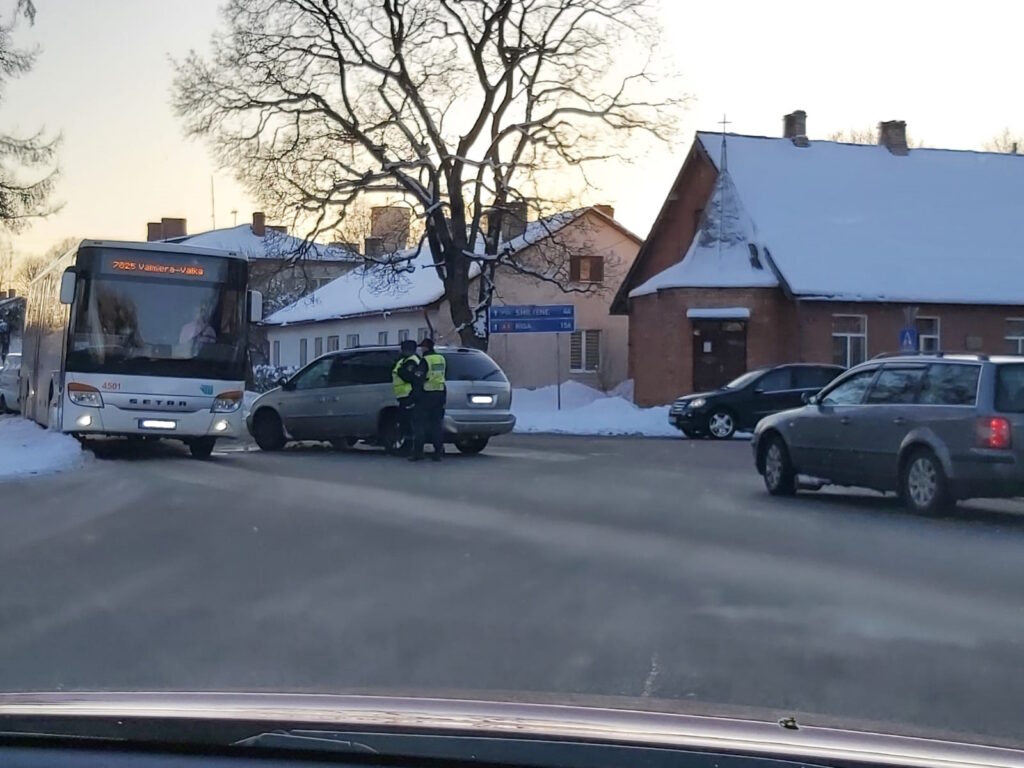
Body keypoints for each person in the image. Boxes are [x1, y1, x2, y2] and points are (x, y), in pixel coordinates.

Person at [391, 339, 425, 461]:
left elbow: (409, 376)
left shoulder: (412, 361)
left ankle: (410, 449)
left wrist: (400, 371)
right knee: (405, 423)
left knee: (409, 424)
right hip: (404, 396)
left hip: (409, 395)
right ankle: (409, 448)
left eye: (402, 348)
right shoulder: (405, 360)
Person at [419, 338, 447, 461]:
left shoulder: (425, 360)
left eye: (422, 347)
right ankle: (438, 450)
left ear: (426, 348)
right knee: (436, 424)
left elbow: (419, 377)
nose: (421, 349)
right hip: (440, 392)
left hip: (427, 394)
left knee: (422, 423)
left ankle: (419, 451)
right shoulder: (441, 358)